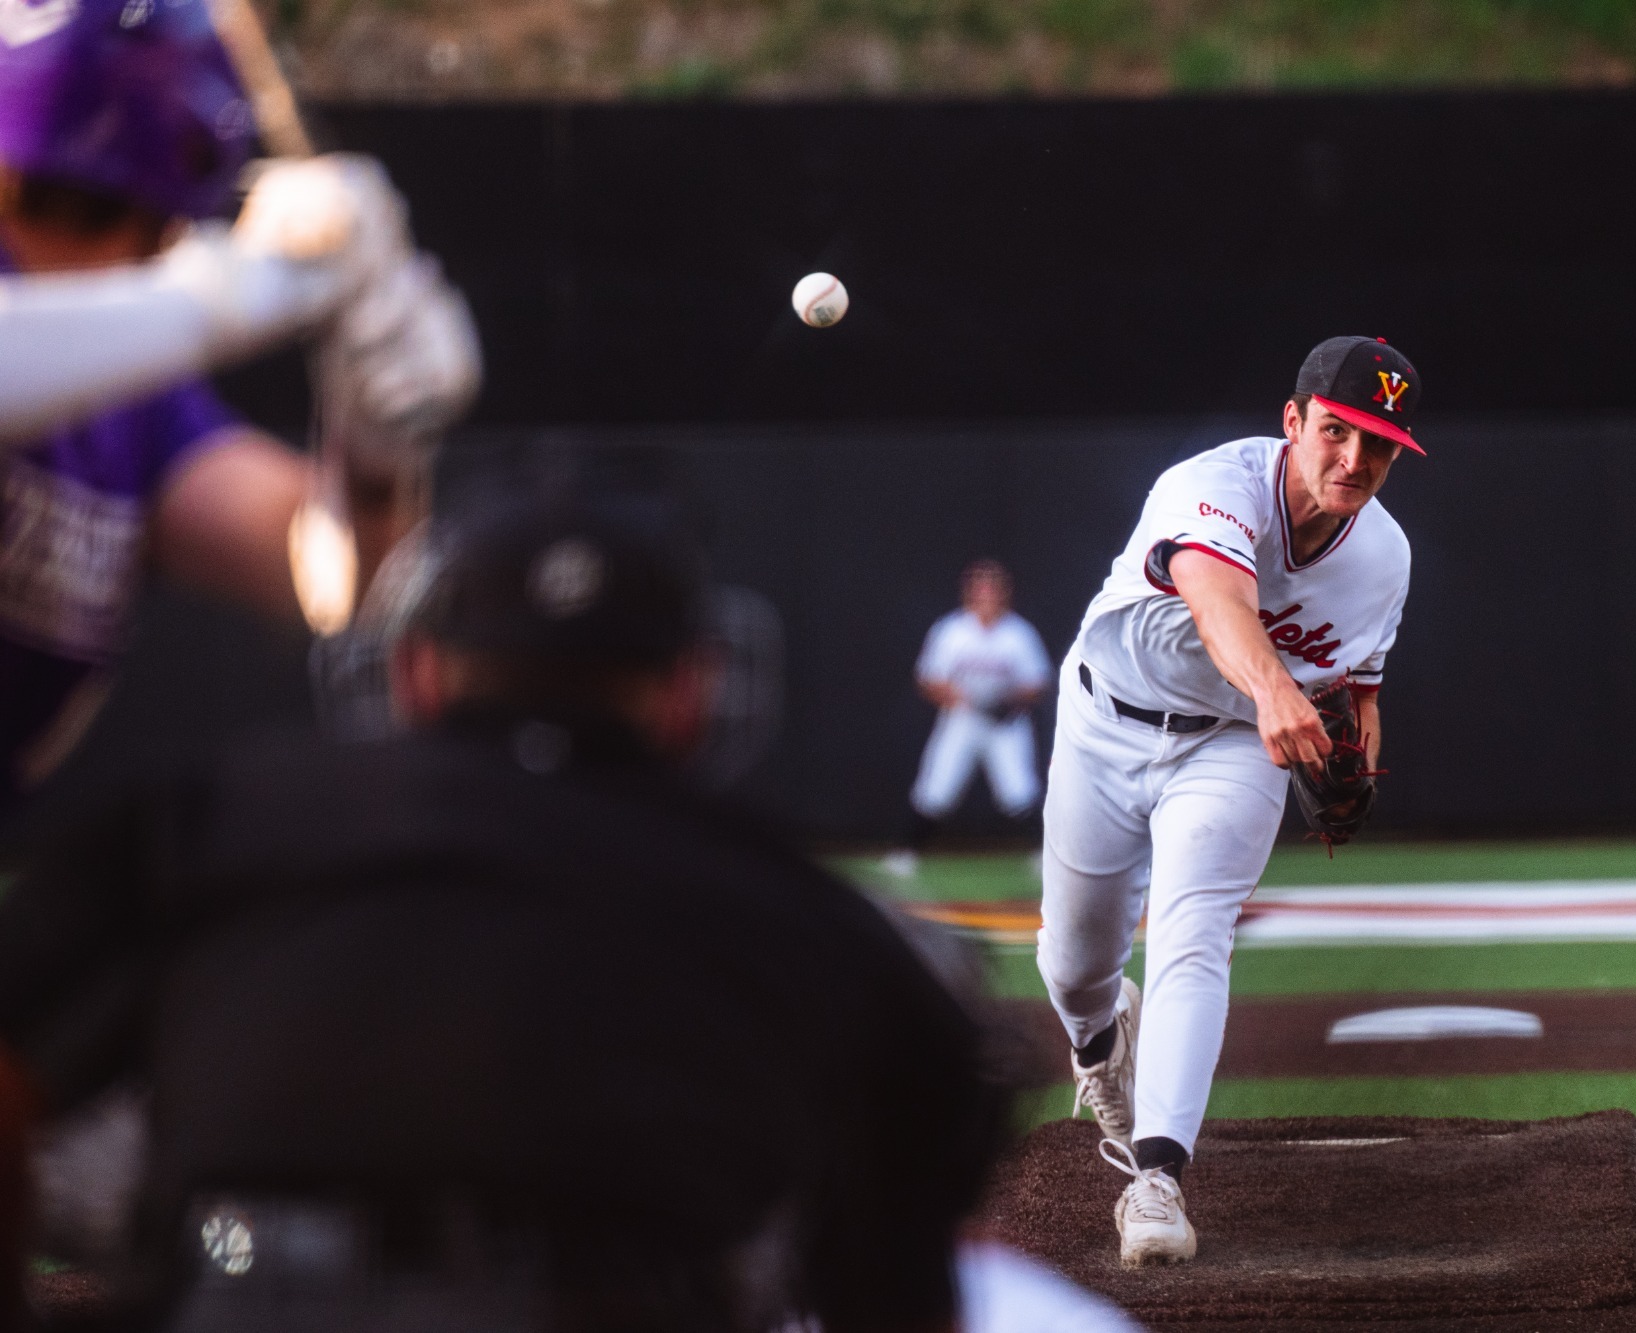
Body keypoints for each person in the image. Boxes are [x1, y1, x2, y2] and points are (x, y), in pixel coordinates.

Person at [0, 480, 1011, 1331]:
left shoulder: (215, 818)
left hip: (245, 1296)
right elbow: (906, 1244)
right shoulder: (801, 908)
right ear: (689, 692)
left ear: (414, 671)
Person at [0, 0, 478, 814]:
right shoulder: (142, 324)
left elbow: (332, 584)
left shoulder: (130, 398)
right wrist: (229, 297)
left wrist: (377, 451)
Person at [1038, 337, 1421, 1268]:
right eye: (1336, 432)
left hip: (1234, 745)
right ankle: (1099, 1043)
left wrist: (1360, 738)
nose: (1354, 460)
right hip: (1106, 719)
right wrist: (1277, 688)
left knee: (1194, 930)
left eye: (1378, 444)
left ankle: (1157, 1178)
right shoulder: (1212, 483)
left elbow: (1361, 683)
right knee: (1073, 964)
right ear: (1293, 421)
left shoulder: (1386, 556)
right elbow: (1217, 599)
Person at [884, 560, 1051, 878]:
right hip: (962, 719)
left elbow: (1037, 683)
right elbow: (928, 679)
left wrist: (1007, 699)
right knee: (936, 788)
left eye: (993, 589)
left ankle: (1045, 855)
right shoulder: (952, 630)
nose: (987, 596)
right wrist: (961, 698)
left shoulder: (1018, 634)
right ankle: (905, 852)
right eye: (980, 589)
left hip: (1004, 722)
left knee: (1020, 792)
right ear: (969, 593)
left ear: (1004, 594)